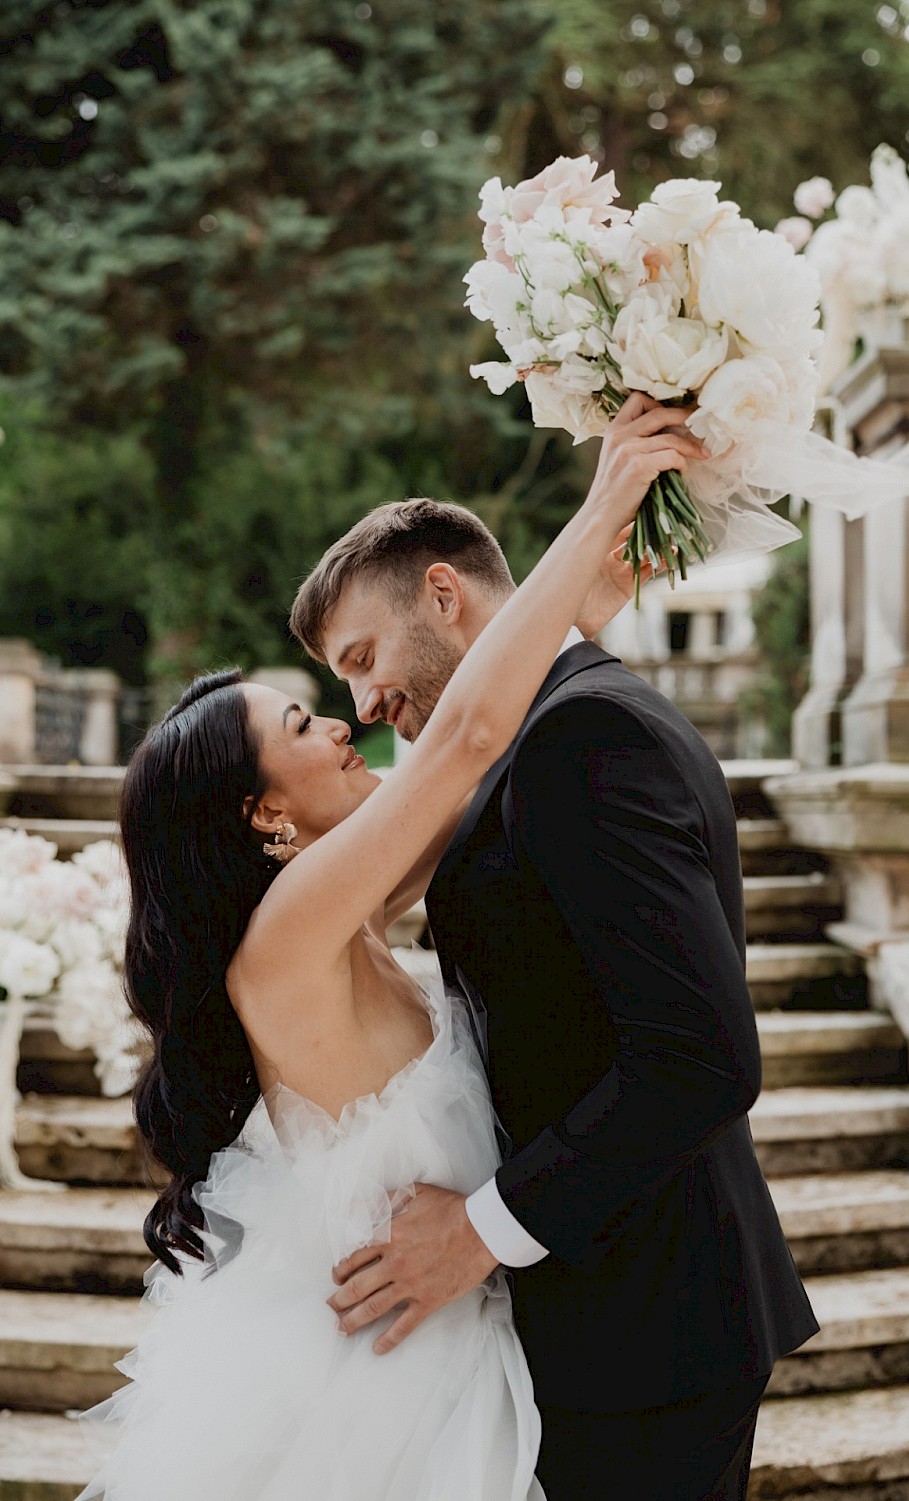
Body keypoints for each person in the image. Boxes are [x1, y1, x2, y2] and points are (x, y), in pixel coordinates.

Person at [76, 395, 698, 1501]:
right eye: (303, 727)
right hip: (397, 1368)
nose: (345, 720)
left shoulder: (342, 903)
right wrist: (598, 493)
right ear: (264, 814)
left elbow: (483, 765)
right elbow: (463, 740)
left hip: (463, 1317)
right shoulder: (290, 928)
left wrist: (588, 599)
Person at [289, 418, 819, 1501]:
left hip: (650, 1327)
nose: (365, 706)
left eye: (361, 659)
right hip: (601, 1315)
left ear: (445, 594)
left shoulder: (585, 740)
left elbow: (701, 1058)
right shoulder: (537, 735)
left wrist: (479, 1232)